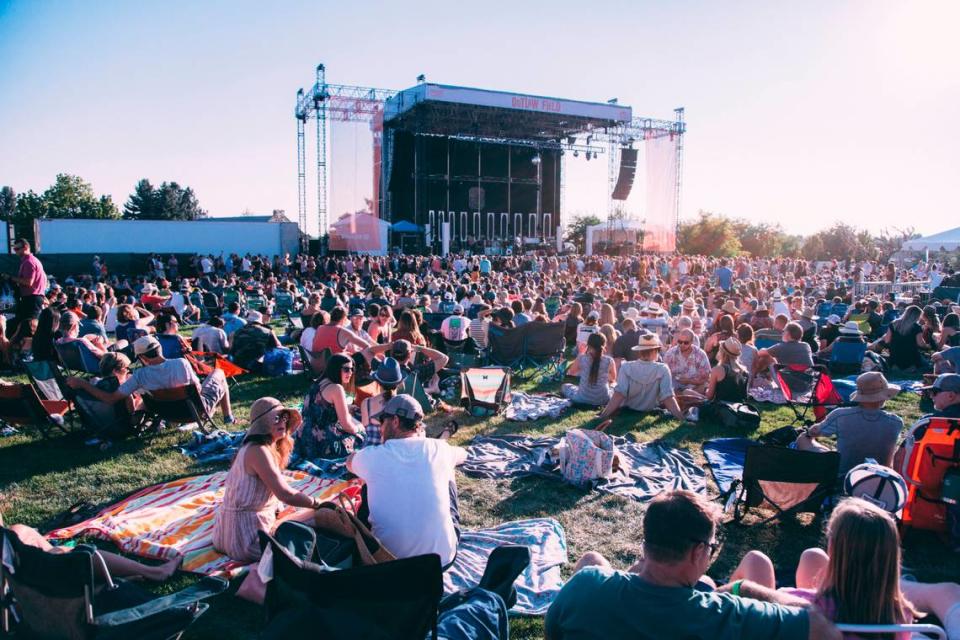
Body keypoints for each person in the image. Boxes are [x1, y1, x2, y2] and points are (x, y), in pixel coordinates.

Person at [545, 489, 839, 640]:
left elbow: (553, 631)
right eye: (711, 548)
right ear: (698, 552)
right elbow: (819, 627)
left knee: (592, 559)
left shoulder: (587, 585)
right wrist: (747, 589)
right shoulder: (726, 615)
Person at [751, 498, 960, 640]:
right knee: (811, 557)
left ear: (832, 547)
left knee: (755, 561)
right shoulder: (901, 616)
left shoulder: (795, 603)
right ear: (891, 558)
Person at [346, 394, 466, 568]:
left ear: (394, 421)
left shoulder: (373, 456)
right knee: (447, 471)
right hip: (441, 561)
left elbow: (349, 462)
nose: (380, 428)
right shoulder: (439, 448)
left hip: (386, 561)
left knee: (366, 481)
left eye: (382, 422)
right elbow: (463, 454)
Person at [212, 397, 322, 563]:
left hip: (227, 533)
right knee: (322, 515)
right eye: (276, 418)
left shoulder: (259, 448)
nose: (282, 423)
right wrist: (317, 503)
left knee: (300, 515)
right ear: (262, 424)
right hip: (247, 538)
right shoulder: (259, 451)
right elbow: (286, 494)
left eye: (284, 417)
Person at [67, 335, 236, 424]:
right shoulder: (181, 363)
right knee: (219, 374)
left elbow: (110, 399)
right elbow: (198, 390)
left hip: (168, 414)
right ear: (159, 348)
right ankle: (228, 417)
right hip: (195, 412)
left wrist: (82, 383)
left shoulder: (140, 375)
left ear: (141, 358)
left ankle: (225, 416)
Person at [2, 514, 182, 582]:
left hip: (12, 562)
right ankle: (155, 573)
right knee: (82, 555)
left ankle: (56, 555)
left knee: (20, 530)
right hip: (20, 579)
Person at [795, 371, 903, 475]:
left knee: (804, 438)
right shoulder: (896, 421)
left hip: (844, 474)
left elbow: (815, 432)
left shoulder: (841, 415)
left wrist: (808, 432)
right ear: (884, 397)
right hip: (879, 476)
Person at [293, 354, 365, 460]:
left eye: (352, 369)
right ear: (335, 369)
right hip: (322, 443)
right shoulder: (336, 388)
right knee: (362, 435)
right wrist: (359, 429)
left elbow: (319, 407)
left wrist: (346, 407)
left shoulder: (317, 383)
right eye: (346, 369)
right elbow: (346, 425)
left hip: (303, 437)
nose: (350, 373)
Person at [598, 334, 685, 420]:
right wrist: (682, 419)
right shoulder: (663, 369)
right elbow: (668, 397)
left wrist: (603, 415)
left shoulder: (626, 367)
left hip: (628, 410)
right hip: (650, 410)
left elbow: (619, 394)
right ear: (656, 351)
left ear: (639, 351)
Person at [8, 239, 48, 343]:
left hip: (32, 299)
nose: (16, 251)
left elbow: (29, 282)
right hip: (33, 299)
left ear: (26, 247)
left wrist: (10, 278)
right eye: (14, 249)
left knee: (29, 328)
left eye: (17, 249)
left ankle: (29, 353)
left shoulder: (29, 262)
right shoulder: (32, 261)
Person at [562, 333, 617, 407]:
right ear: (604, 344)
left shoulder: (582, 358)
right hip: (603, 399)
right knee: (614, 386)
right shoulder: (609, 360)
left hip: (582, 398)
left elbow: (572, 372)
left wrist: (581, 353)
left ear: (588, 344)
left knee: (565, 386)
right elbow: (613, 378)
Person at [360, 357, 404, 447]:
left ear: (377, 382)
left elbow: (365, 432)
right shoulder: (403, 404)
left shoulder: (366, 403)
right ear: (399, 382)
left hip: (369, 454)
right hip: (392, 454)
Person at [663, 328, 712, 394]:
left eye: (686, 343)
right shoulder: (670, 354)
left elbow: (706, 378)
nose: (682, 345)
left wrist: (689, 381)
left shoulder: (700, 354)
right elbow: (664, 375)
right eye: (680, 342)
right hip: (674, 388)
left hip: (694, 388)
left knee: (702, 386)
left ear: (692, 342)